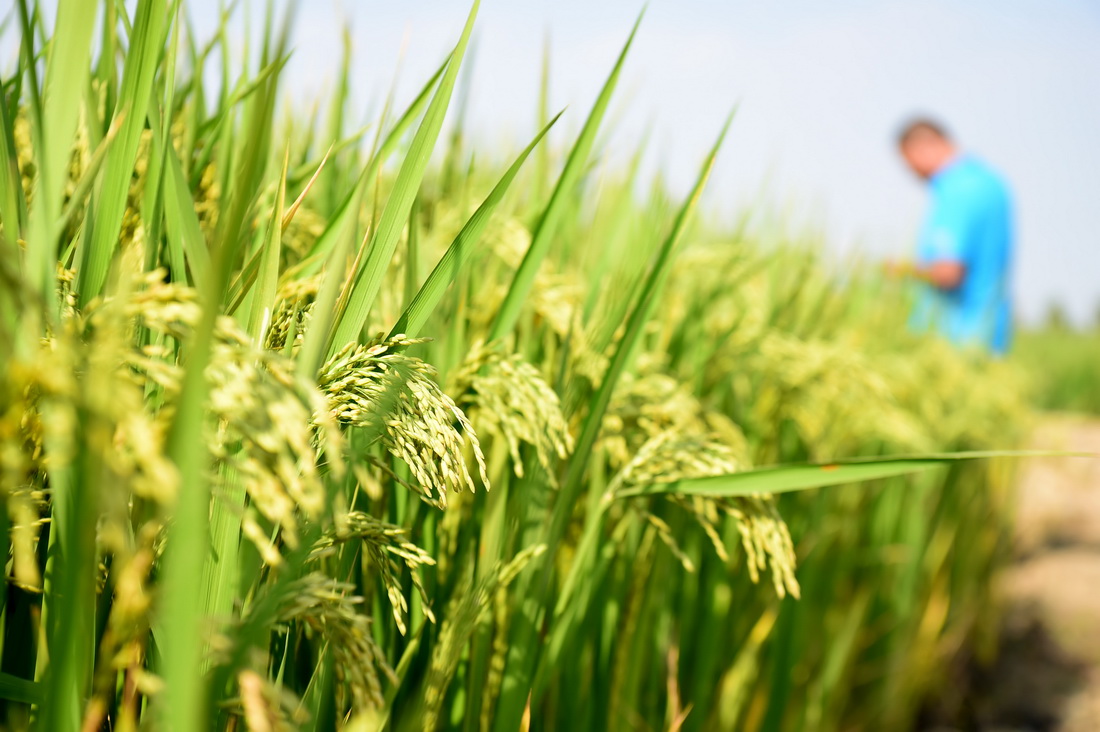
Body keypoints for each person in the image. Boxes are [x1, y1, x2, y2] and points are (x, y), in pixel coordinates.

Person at [892, 118, 1014, 355]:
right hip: (989, 338)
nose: (914, 174)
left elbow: (948, 271)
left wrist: (900, 270)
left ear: (923, 147)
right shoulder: (991, 184)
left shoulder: (955, 190)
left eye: (909, 163)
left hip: (952, 342)